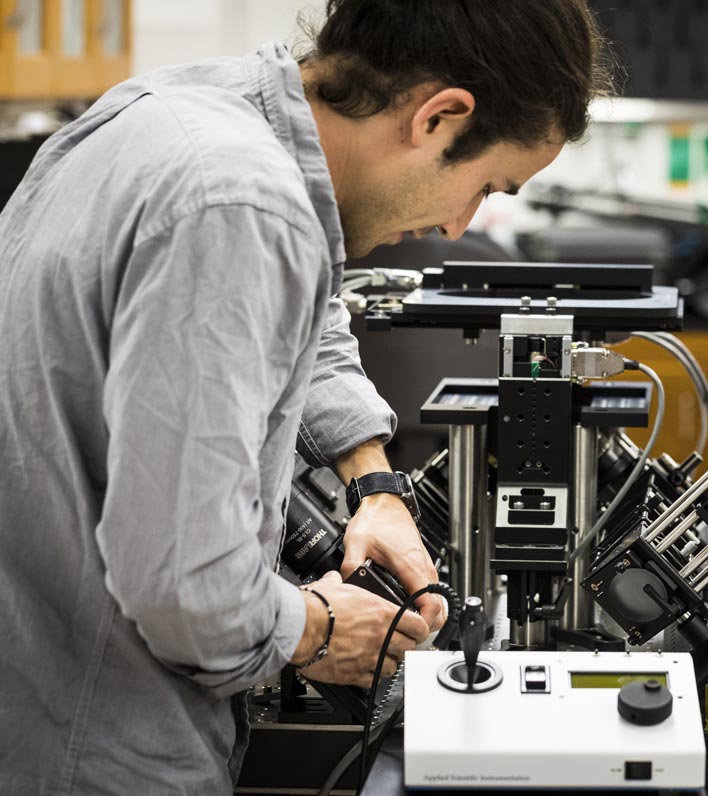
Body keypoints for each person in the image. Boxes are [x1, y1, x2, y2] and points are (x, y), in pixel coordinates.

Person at [0, 0, 612, 792]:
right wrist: (322, 630)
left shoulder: (181, 111)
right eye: (486, 185)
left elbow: (306, 302)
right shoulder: (243, 208)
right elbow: (188, 592)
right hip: (91, 747)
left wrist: (376, 484)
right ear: (439, 118)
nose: (461, 225)